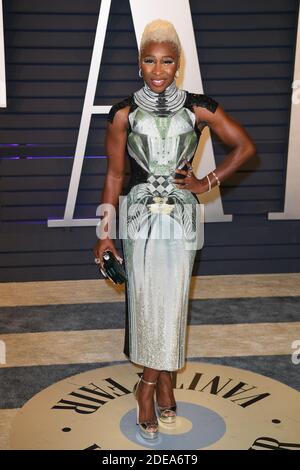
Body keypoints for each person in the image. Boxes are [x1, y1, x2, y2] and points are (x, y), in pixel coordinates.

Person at [93, 19, 256, 440]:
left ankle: (147, 385)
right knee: (148, 302)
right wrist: (104, 233)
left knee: (173, 302)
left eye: (167, 61)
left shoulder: (198, 107)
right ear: (139, 64)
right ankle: (161, 384)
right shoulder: (123, 114)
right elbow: (114, 176)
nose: (159, 69)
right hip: (140, 218)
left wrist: (207, 182)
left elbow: (245, 147)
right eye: (150, 60)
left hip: (182, 218)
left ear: (178, 64)